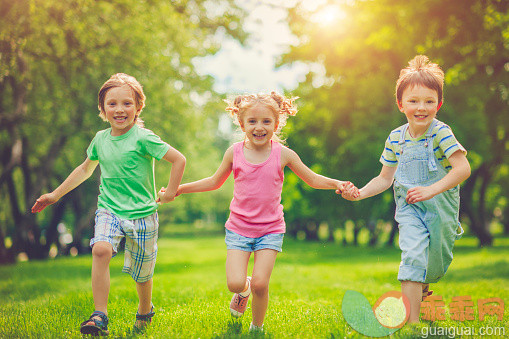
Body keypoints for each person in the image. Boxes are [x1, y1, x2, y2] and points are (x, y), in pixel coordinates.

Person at [175, 92, 354, 332]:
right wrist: (179, 189)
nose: (259, 127)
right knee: (235, 283)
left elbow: (311, 178)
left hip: (270, 229)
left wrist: (337, 184)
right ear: (242, 124)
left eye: (266, 122)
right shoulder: (234, 152)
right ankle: (244, 290)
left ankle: (256, 328)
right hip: (239, 229)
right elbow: (214, 181)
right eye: (253, 122)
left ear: (276, 124)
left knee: (262, 283)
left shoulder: (283, 154)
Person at [31, 73, 186, 335]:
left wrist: (170, 192)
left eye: (127, 103)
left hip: (143, 214)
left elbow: (178, 159)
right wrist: (54, 195)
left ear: (138, 108)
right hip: (110, 209)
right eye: (112, 104)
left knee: (142, 274)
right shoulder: (100, 140)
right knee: (100, 250)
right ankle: (100, 314)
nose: (119, 109)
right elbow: (84, 169)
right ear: (102, 109)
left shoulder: (143, 138)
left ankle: (145, 309)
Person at [342, 55, 471, 322]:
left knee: (436, 264)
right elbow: (385, 178)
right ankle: (410, 322)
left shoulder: (441, 133)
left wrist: (431, 190)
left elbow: (463, 169)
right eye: (413, 101)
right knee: (413, 255)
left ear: (439, 104)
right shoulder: (395, 138)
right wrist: (360, 193)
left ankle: (424, 285)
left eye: (429, 101)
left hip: (441, 207)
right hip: (410, 208)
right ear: (401, 105)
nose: (421, 107)